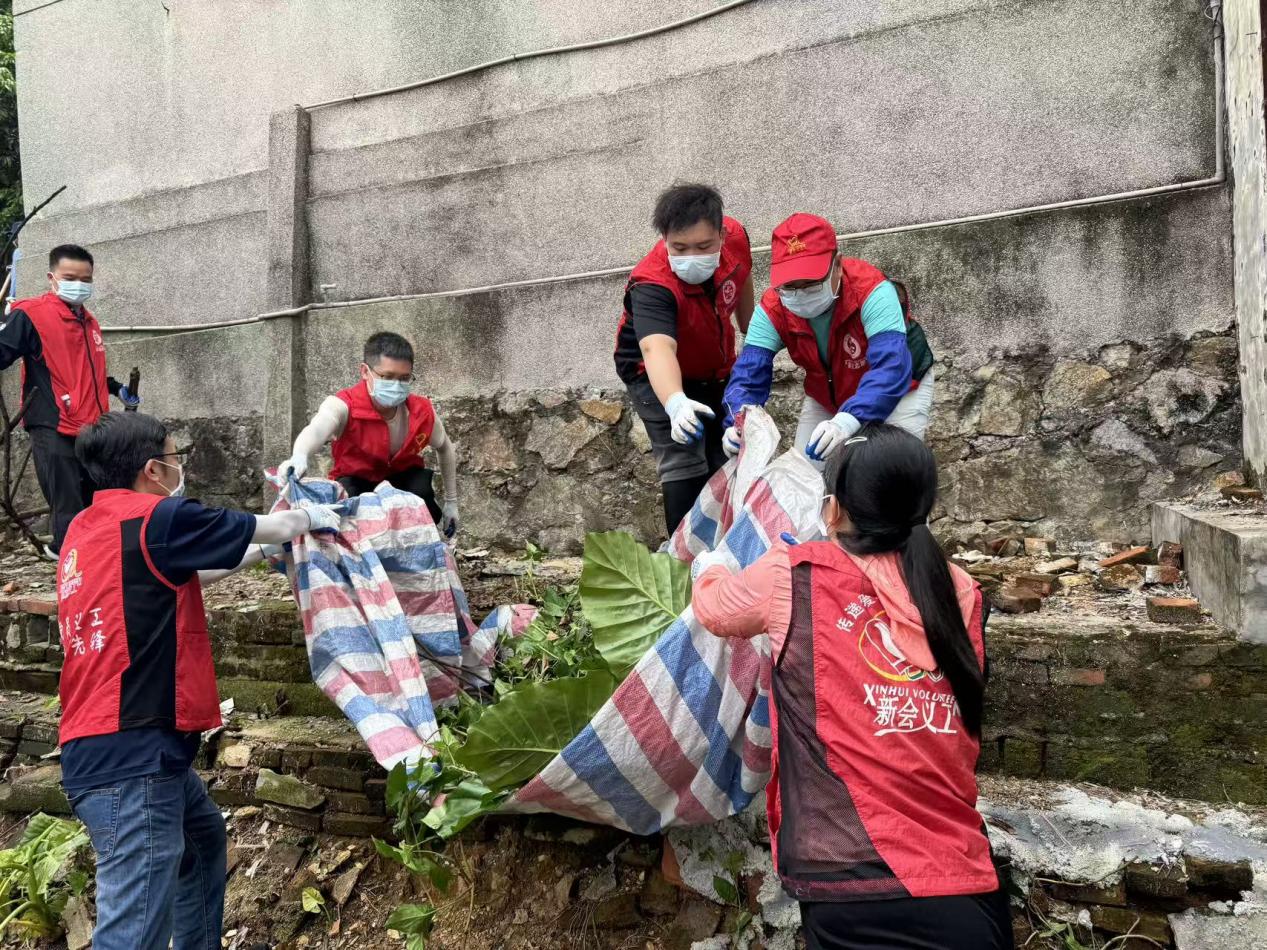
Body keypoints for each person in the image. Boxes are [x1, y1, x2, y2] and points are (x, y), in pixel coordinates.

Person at [691, 425, 1011, 950]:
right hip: (969, 892)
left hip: (854, 891)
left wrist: (712, 566)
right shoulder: (963, 594)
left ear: (834, 510)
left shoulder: (794, 577)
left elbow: (714, 607)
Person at [56, 411, 342, 950]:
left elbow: (182, 573)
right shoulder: (157, 518)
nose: (178, 467)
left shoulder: (86, 531)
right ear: (152, 469)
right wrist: (312, 515)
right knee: (133, 931)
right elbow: (275, 525)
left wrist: (262, 551)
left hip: (104, 744)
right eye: (174, 457)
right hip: (133, 754)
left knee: (203, 840)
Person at [722, 213, 935, 463]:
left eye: (811, 283)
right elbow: (747, 375)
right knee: (805, 472)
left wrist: (848, 420)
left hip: (901, 387)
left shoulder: (872, 291)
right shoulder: (772, 308)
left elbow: (891, 366)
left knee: (888, 469)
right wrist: (739, 422)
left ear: (838, 265)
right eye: (789, 286)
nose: (800, 294)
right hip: (827, 395)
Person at [614, 183, 755, 535]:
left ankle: (728, 548)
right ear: (665, 239)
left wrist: (751, 332)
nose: (691, 256)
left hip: (714, 365)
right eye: (679, 247)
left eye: (703, 247)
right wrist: (676, 403)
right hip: (652, 374)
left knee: (726, 453)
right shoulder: (652, 283)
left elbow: (742, 274)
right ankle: (681, 558)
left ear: (722, 235)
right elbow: (656, 349)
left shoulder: (737, 237)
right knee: (683, 455)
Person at [0, 244, 140, 554]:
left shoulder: (87, 321)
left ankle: (97, 558)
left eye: (85, 279)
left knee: (98, 496)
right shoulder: (31, 315)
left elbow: (82, 371)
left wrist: (116, 388)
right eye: (70, 277)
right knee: (67, 502)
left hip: (91, 425)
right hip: (53, 422)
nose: (79, 284)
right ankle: (69, 562)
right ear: (52, 278)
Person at [277, 331, 459, 537]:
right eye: (387, 377)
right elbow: (317, 429)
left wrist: (451, 502)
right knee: (346, 513)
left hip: (404, 484)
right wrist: (299, 455)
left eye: (404, 378)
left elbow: (445, 447)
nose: (396, 385)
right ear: (365, 371)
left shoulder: (421, 412)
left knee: (422, 495)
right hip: (357, 484)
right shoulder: (343, 405)